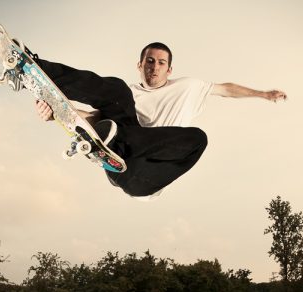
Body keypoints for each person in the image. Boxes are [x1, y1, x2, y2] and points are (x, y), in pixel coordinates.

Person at [29, 41, 287, 198]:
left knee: (198, 138)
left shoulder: (189, 87)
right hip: (116, 160)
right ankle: (37, 67)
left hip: (144, 177)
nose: (154, 67)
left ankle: (116, 144)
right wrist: (58, 113)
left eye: (161, 63)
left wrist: (263, 94)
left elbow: (226, 89)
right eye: (149, 61)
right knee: (117, 88)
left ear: (170, 69)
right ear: (139, 65)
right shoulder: (127, 96)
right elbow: (94, 119)